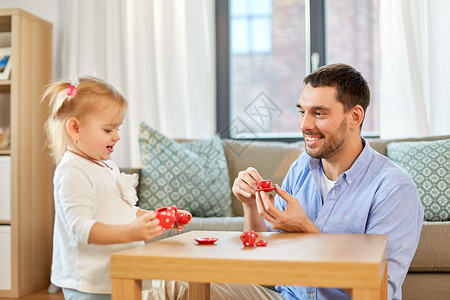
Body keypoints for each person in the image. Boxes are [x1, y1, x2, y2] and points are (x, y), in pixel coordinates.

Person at [232, 63, 424, 300]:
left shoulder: (394, 189)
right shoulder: (301, 167)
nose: (304, 125)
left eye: (319, 113)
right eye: (302, 112)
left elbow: (378, 291)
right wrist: (250, 205)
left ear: (355, 116)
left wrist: (306, 230)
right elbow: (263, 262)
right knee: (178, 286)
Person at [42, 77, 188, 300]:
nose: (117, 136)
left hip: (118, 273)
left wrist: (158, 218)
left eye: (118, 128)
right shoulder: (72, 170)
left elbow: (125, 210)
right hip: (89, 282)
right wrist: (131, 232)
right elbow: (81, 228)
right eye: (108, 129)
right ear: (75, 128)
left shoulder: (108, 165)